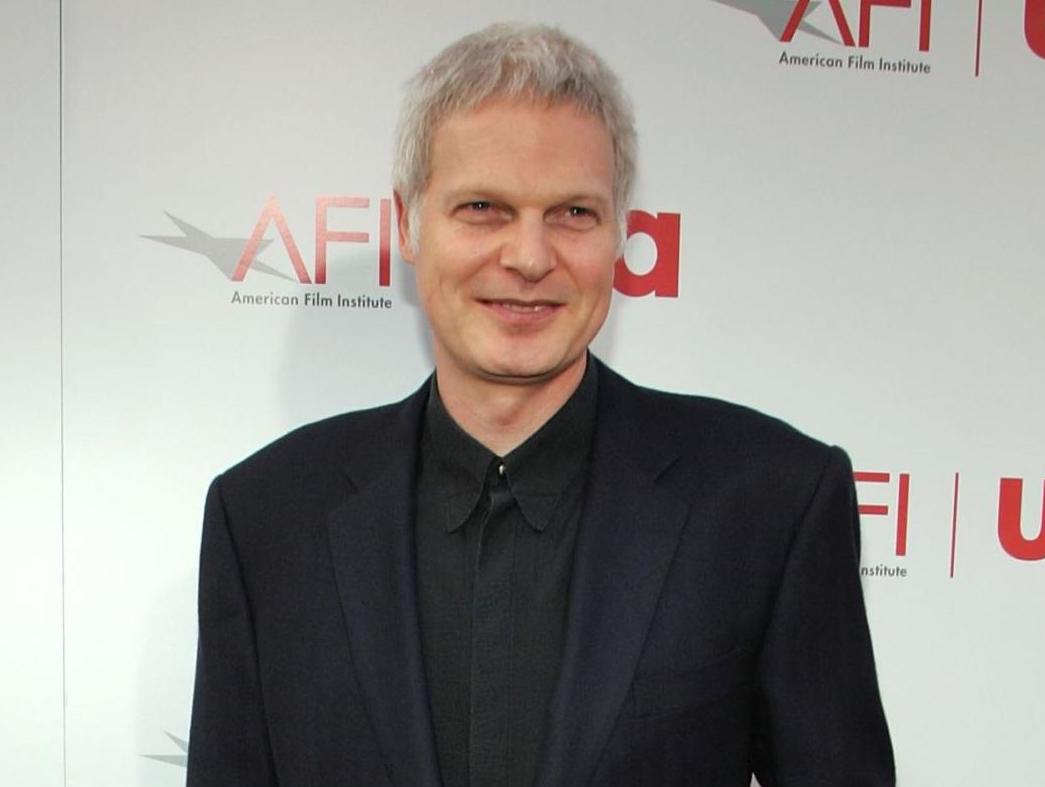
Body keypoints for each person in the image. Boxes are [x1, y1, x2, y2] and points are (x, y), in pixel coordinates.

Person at [187, 22, 894, 787]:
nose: (529, 256)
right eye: (484, 207)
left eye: (573, 213)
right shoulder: (265, 518)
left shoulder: (768, 501)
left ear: (622, 229)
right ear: (409, 225)